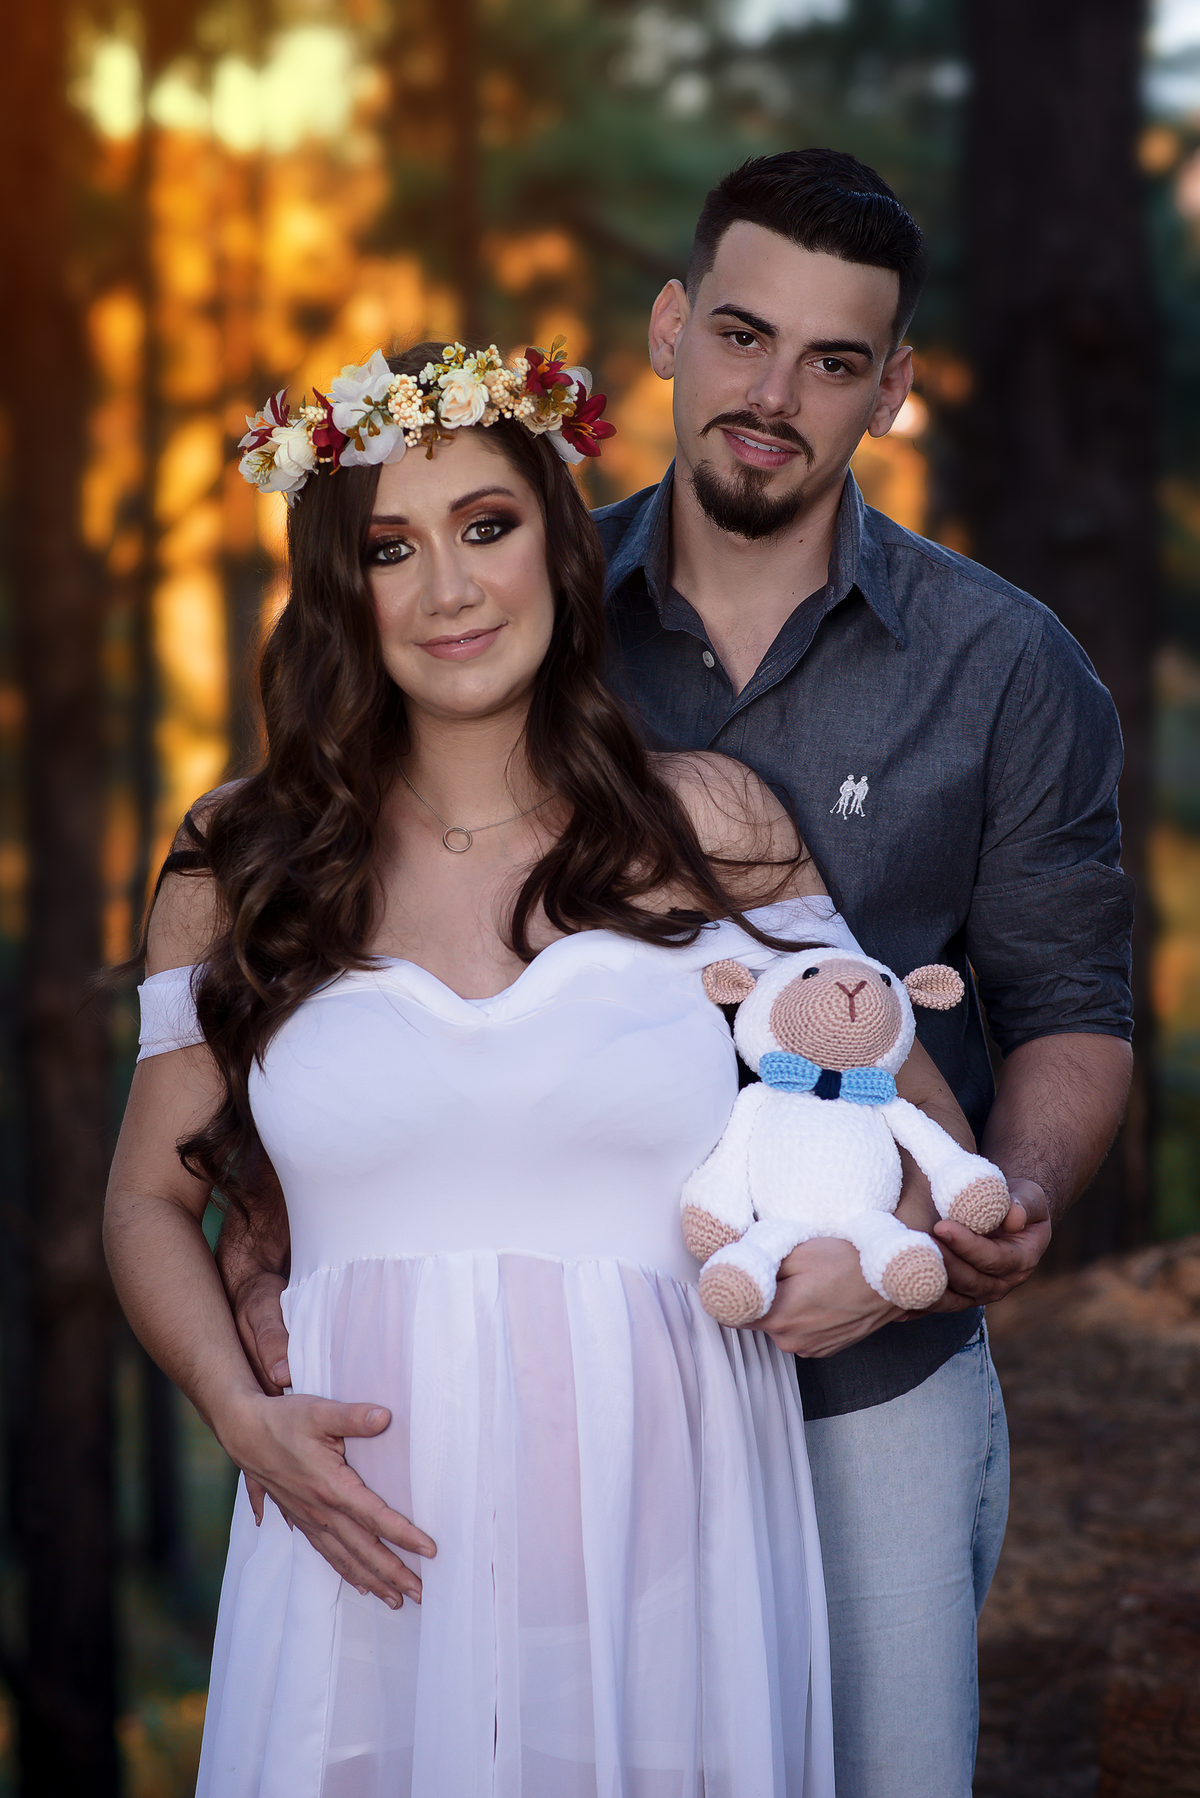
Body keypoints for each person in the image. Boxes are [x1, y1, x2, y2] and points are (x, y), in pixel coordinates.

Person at [223, 151, 1136, 1797]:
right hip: (563, 1393)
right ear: (668, 327)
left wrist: (982, 1212)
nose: (773, 394)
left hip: (864, 1358)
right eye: (741, 334)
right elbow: (339, 928)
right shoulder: (509, 591)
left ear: (895, 389)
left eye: (834, 360)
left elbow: (1075, 1008)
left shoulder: (1007, 666)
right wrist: (274, 1209)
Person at [104, 337, 980, 1796]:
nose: (449, 589)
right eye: (391, 549)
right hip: (356, 1559)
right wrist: (237, 1414)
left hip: (672, 1568)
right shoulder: (243, 859)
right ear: (339, 591)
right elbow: (144, 1199)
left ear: (559, 551)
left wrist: (891, 1256)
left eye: (486, 526)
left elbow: (910, 1129)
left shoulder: (709, 823)